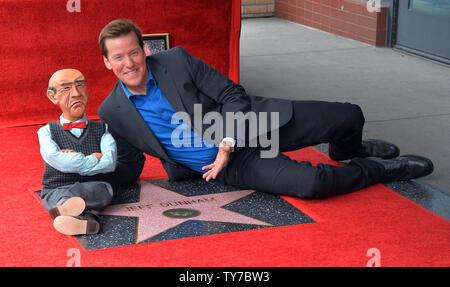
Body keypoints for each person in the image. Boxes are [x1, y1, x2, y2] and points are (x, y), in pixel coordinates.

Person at [97, 19, 433, 199]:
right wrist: (87, 181)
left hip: (252, 125)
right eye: (119, 57)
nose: (129, 63)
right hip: (226, 166)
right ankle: (377, 169)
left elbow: (231, 94)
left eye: (134, 52)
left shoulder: (176, 60)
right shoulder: (113, 111)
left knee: (350, 115)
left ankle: (349, 149)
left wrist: (227, 141)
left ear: (144, 49)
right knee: (312, 184)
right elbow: (128, 164)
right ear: (107, 62)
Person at [38, 68, 117, 235]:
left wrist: (73, 158)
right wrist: (94, 159)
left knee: (104, 190)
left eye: (80, 85)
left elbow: (110, 163)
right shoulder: (46, 132)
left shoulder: (101, 128)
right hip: (57, 188)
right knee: (61, 196)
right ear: (52, 96)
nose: (76, 93)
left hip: (93, 186)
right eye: (66, 88)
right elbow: (60, 161)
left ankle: (64, 210)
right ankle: (88, 220)